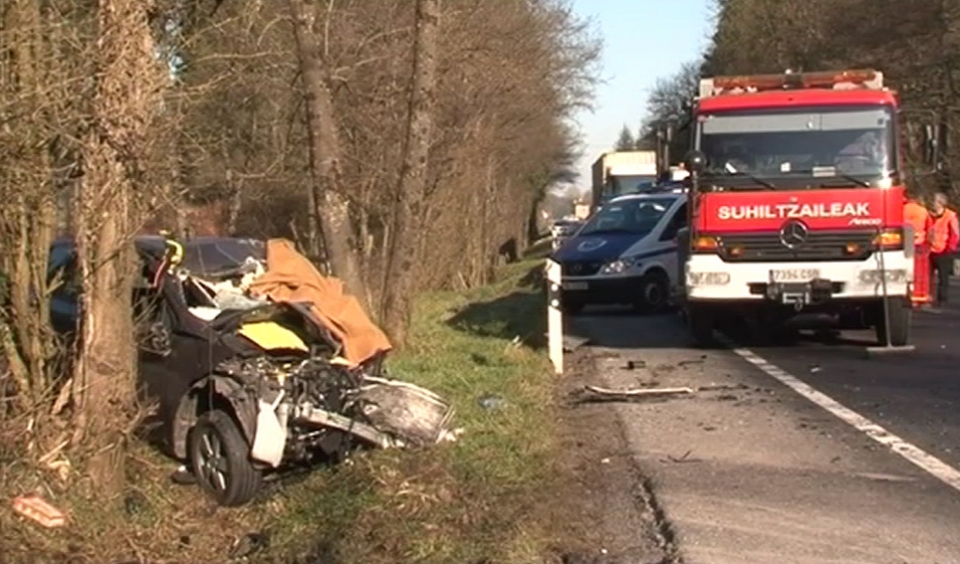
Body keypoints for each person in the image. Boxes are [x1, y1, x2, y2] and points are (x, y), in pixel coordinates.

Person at [928, 192, 959, 305]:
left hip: (944, 250)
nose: (933, 204)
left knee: (943, 277)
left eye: (935, 201)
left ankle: (942, 298)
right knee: (928, 277)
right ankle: (929, 297)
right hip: (930, 249)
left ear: (941, 203)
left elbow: (955, 234)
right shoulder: (930, 215)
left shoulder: (950, 216)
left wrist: (950, 248)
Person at [905, 194, 932, 306]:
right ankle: (922, 295)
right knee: (922, 271)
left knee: (909, 271)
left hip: (905, 244)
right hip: (920, 243)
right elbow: (929, 227)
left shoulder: (901, 209)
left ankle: (910, 294)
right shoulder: (923, 211)